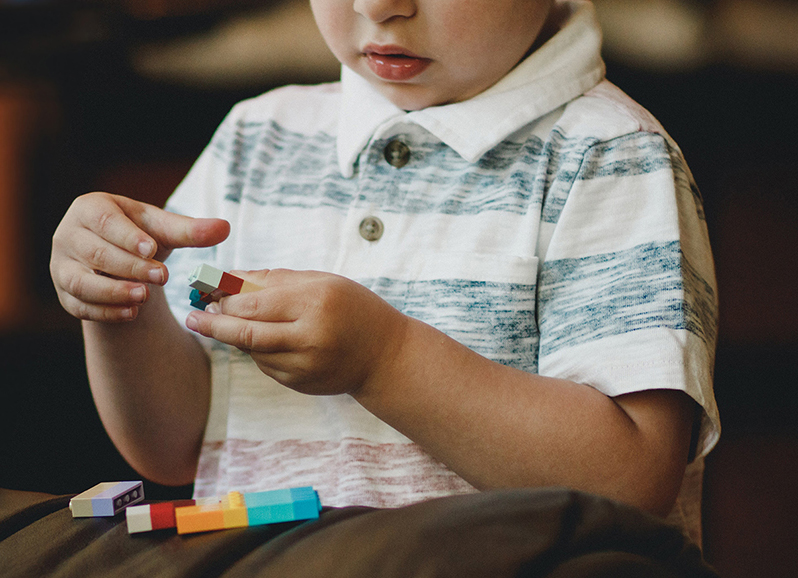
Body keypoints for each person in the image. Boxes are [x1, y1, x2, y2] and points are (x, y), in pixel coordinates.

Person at [50, 0, 720, 545]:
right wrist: (120, 303)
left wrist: (385, 359)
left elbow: (630, 480)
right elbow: (175, 447)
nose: (378, 7)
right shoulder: (258, 136)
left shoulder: (609, 156)